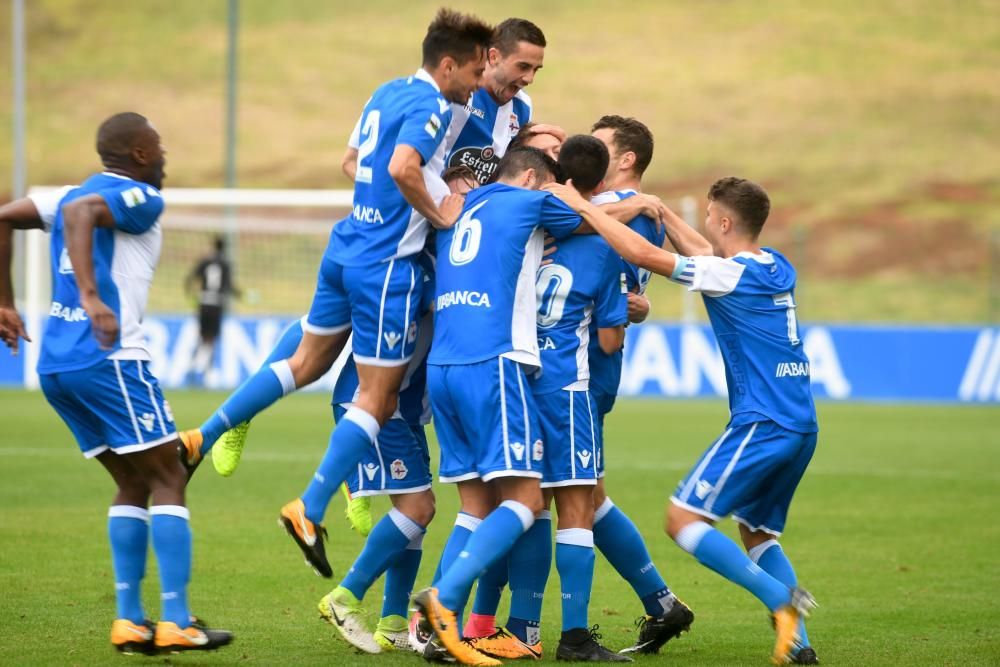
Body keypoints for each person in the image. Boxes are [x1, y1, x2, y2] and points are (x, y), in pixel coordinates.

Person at [176, 9, 492, 579]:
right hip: (387, 265)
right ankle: (310, 506)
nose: (476, 83)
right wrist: (439, 213)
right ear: (448, 65)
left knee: (305, 361)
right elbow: (402, 167)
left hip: (346, 245)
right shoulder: (432, 107)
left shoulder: (385, 93)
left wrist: (396, 195)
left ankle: (203, 435)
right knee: (378, 398)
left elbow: (354, 161)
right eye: (473, 71)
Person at [544, 176, 819, 665]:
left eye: (711, 217)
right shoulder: (775, 264)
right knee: (757, 532)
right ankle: (799, 647)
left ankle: (780, 601)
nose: (705, 225)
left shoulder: (729, 275)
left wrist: (584, 210)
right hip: (801, 424)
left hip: (764, 422)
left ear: (726, 221)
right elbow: (706, 255)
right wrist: (662, 210)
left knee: (683, 519)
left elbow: (650, 258)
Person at [0, 112, 233, 654]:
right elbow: (84, 215)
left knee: (134, 482)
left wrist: (7, 301)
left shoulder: (66, 192)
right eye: (160, 144)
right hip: (110, 360)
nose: (166, 154)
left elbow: (4, 216)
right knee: (170, 476)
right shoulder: (138, 197)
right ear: (141, 154)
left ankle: (130, 620)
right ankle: (177, 620)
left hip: (58, 365)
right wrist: (90, 295)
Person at [473, 136, 632, 663]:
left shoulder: (532, 228)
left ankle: (520, 627)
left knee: (526, 505)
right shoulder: (604, 244)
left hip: (516, 380)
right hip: (567, 388)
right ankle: (576, 635)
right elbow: (609, 339)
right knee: (577, 507)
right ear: (603, 183)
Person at [588, 115, 696, 655]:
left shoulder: (622, 212)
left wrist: (620, 317)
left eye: (600, 144)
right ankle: (660, 602)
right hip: (585, 365)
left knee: (551, 494)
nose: (586, 149)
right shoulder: (627, 210)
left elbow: (612, 293)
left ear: (627, 158)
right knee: (576, 492)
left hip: (582, 365)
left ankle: (517, 625)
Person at [184, 235, 239, 384]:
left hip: (203, 301)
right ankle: (205, 372)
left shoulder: (205, 261)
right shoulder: (225, 264)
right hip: (216, 304)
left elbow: (189, 279)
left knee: (202, 336)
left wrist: (191, 295)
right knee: (211, 339)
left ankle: (193, 366)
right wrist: (240, 294)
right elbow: (229, 286)